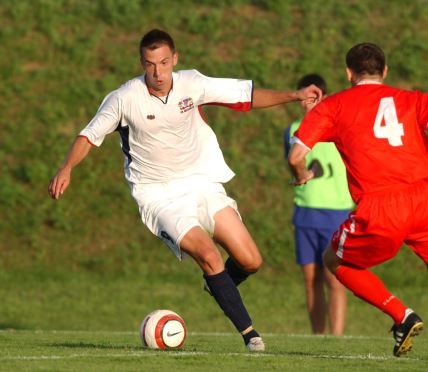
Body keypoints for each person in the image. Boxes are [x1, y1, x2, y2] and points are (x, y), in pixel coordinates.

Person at [48, 29, 321, 352]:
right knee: (208, 255)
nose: (158, 72)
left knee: (251, 260)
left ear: (174, 59)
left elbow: (246, 97)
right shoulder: (124, 98)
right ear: (141, 63)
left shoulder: (192, 83)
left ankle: (219, 286)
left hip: (201, 182)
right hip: (158, 195)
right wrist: (67, 167)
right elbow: (89, 136)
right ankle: (251, 336)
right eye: (150, 64)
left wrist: (294, 95)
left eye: (164, 63)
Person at [288, 42, 426, 357]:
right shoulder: (413, 100)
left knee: (333, 260)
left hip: (381, 206)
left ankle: (401, 315)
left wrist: (301, 175)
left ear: (349, 73)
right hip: (423, 197)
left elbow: (297, 156)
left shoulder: (334, 106)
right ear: (385, 71)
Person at [284, 74, 353, 335]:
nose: (305, 102)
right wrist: (304, 174)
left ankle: (337, 338)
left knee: (334, 278)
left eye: (311, 97)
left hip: (336, 213)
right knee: (311, 279)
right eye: (302, 97)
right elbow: (293, 167)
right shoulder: (292, 131)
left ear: (322, 97)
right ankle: (317, 337)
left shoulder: (338, 126)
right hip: (305, 214)